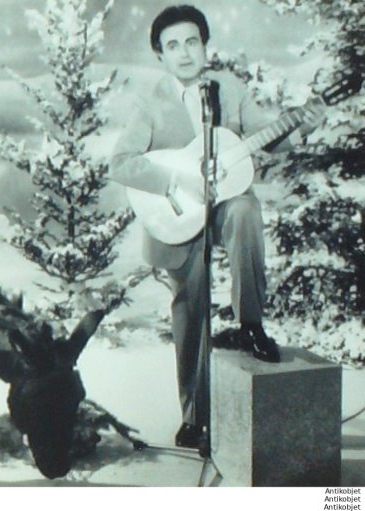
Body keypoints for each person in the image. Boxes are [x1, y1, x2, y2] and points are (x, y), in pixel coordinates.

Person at [109, 5, 324, 449]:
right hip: (177, 216)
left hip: (224, 205)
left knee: (246, 209)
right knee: (190, 310)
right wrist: (176, 179)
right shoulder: (149, 102)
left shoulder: (230, 89)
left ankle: (251, 323)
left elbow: (268, 134)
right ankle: (194, 416)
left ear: (205, 46)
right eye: (173, 46)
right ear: (160, 56)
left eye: (192, 42)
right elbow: (121, 164)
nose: (185, 53)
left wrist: (302, 127)